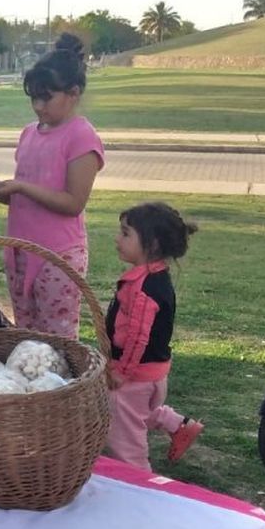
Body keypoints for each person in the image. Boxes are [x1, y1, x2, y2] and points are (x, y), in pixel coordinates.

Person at [0, 33, 104, 337]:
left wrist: (20, 187)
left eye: (46, 97)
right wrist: (2, 192)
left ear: (73, 93)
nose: (38, 105)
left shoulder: (81, 136)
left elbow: (73, 203)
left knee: (57, 339)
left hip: (57, 255)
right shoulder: (29, 133)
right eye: (33, 97)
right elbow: (31, 195)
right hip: (20, 250)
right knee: (26, 336)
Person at [104, 201, 203, 470]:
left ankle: (139, 483)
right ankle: (179, 425)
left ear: (153, 244)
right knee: (139, 411)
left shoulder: (144, 289)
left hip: (134, 375)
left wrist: (122, 371)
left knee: (124, 439)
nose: (117, 239)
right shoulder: (150, 278)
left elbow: (137, 337)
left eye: (125, 234)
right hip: (152, 372)